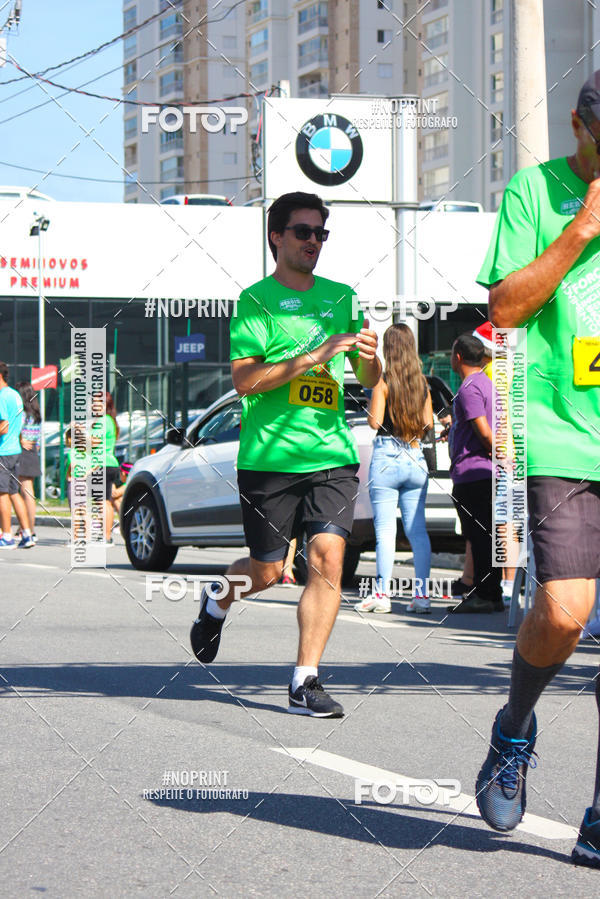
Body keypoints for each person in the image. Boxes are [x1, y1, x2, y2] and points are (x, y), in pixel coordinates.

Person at [190, 191, 380, 717]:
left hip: (331, 453)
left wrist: (368, 360)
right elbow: (247, 381)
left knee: (327, 559)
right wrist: (314, 355)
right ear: (276, 237)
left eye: (321, 233)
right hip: (269, 460)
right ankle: (217, 600)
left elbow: (366, 377)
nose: (314, 241)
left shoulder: (343, 296)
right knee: (268, 572)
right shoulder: (255, 301)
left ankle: (304, 681)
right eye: (303, 232)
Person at [475, 72, 600, 865]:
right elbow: (506, 307)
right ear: (580, 124)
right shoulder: (536, 191)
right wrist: (579, 232)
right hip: (560, 433)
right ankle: (515, 724)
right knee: (563, 611)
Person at [354, 323, 433, 614]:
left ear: (388, 349)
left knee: (385, 530)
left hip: (387, 456)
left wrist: (371, 402)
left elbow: (374, 422)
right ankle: (423, 597)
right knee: (418, 531)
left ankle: (382, 595)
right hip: (414, 455)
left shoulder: (383, 381)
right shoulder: (422, 383)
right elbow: (428, 425)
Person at [446, 334, 503, 614]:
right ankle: (490, 592)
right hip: (486, 472)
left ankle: (485, 592)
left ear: (458, 357)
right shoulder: (487, 383)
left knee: (478, 536)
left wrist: (494, 449)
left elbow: (483, 429)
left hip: (474, 472)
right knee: (486, 534)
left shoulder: (469, 386)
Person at [0, 362, 33, 549]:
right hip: (14, 450)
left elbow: (3, 426)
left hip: (3, 451)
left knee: (2, 494)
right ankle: (27, 534)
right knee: (13, 492)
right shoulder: (14, 395)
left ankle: (6, 536)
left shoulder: (2, 396)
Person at [90, 392, 121, 544]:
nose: (93, 406)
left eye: (96, 403)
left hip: (101, 464)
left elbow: (93, 441)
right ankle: (106, 535)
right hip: (107, 464)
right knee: (104, 500)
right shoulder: (108, 420)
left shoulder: (104, 421)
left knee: (102, 501)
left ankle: (106, 536)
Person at [15, 381, 42, 543]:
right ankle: (26, 528)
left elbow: (16, 430)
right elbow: (38, 439)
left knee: (23, 493)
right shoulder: (36, 413)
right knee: (29, 494)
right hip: (33, 452)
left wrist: (20, 441)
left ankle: (28, 530)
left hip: (23, 451)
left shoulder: (22, 413)